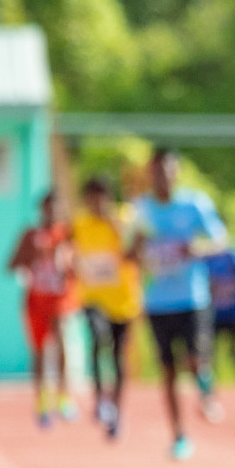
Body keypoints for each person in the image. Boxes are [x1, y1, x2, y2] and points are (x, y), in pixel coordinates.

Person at [133, 148, 229, 460]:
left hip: (192, 297)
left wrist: (196, 249)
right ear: (150, 173)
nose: (163, 177)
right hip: (157, 301)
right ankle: (178, 435)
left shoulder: (194, 204)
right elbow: (129, 253)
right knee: (168, 371)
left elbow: (221, 240)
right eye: (157, 171)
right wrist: (139, 248)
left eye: (168, 170)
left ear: (177, 172)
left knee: (195, 359)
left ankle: (205, 388)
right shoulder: (140, 209)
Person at [72, 175, 143, 439]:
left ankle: (116, 410)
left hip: (123, 301)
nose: (96, 203)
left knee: (117, 356)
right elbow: (68, 247)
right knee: (97, 336)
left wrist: (115, 224)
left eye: (100, 197)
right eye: (91, 198)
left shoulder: (124, 218)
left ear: (109, 198)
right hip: (94, 297)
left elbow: (132, 251)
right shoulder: (80, 223)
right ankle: (100, 400)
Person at [8, 192, 79, 427]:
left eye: (57, 208)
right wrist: (32, 256)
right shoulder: (30, 235)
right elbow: (11, 265)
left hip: (59, 299)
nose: (52, 213)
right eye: (48, 208)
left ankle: (63, 397)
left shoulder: (68, 234)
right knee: (39, 351)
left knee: (61, 343)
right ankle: (41, 402)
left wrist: (69, 262)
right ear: (41, 209)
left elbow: (79, 266)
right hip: (36, 300)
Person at [205, 244, 235, 378]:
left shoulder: (233, 255)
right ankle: (210, 379)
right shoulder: (204, 257)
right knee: (209, 347)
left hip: (233, 310)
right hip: (212, 312)